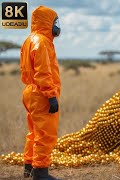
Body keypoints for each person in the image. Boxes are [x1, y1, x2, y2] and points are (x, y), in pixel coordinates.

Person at [20, 5, 61, 180]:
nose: (58, 26)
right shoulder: (42, 42)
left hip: (30, 91)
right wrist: (51, 95)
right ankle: (40, 172)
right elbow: (43, 72)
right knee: (45, 134)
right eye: (56, 22)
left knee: (34, 132)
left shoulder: (29, 39)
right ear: (47, 23)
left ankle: (28, 167)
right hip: (41, 93)